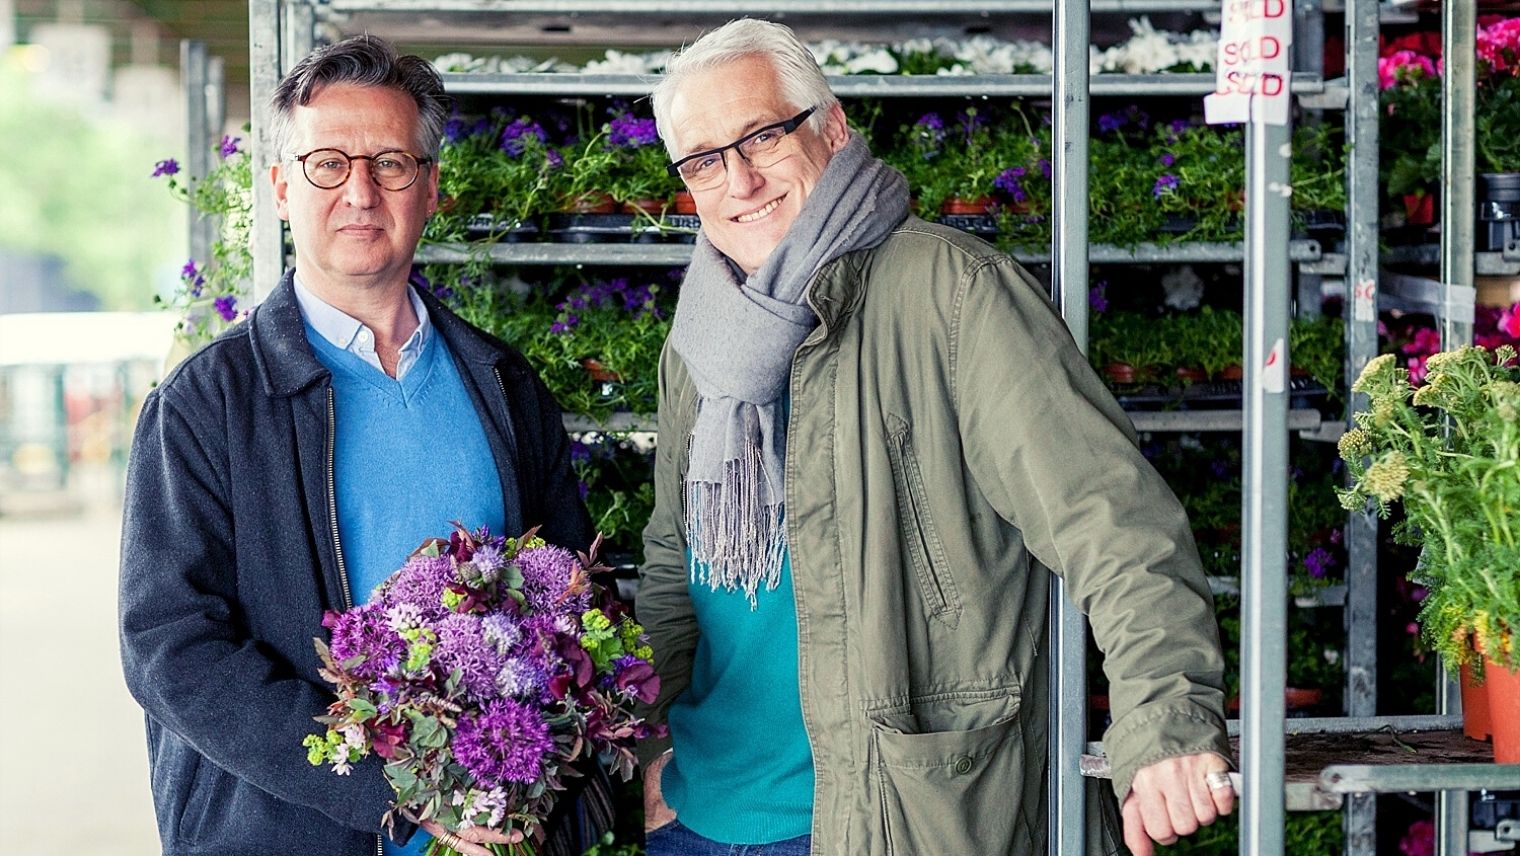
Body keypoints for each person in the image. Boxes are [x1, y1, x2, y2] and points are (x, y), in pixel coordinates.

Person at [635, 18, 1234, 856]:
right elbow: (676, 560)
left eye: (763, 136)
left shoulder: (954, 295)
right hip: (699, 818)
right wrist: (649, 748)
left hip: (898, 819)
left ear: (832, 127)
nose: (739, 179)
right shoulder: (700, 339)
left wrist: (1166, 724)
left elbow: (1111, 520)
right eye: (704, 160)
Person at [119, 35, 612, 856]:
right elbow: (171, 648)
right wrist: (394, 788)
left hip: (494, 837)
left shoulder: (502, 383)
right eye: (327, 164)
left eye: (390, 163)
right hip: (285, 839)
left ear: (431, 188)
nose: (360, 191)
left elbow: (574, 599)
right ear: (282, 187)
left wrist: (554, 789)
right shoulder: (205, 405)